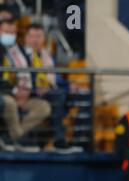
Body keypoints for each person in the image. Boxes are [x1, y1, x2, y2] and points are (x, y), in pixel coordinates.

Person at [22, 22, 80, 152]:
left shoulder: (47, 56)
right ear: (25, 38)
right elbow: (22, 77)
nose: (35, 40)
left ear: (44, 39)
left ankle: (73, 139)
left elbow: (56, 79)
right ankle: (59, 141)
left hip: (49, 91)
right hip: (29, 92)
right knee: (58, 96)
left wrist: (68, 86)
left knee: (72, 93)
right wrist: (37, 88)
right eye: (32, 36)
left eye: (39, 36)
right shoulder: (21, 55)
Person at [0, 17, 50, 151]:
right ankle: (15, 141)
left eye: (13, 33)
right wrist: (16, 91)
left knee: (43, 107)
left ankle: (10, 138)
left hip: (23, 94)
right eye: (7, 32)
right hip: (6, 94)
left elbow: (31, 75)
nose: (10, 36)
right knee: (9, 103)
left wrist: (29, 90)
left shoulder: (22, 51)